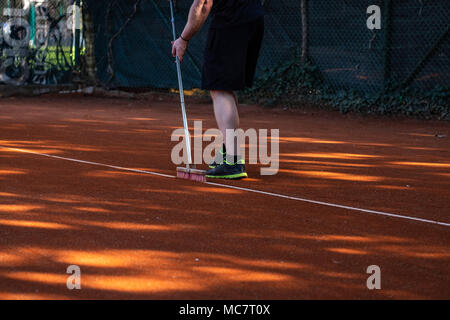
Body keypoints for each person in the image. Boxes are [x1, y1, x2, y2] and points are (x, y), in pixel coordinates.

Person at [171, 0, 264, 179]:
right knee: (226, 86)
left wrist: (183, 39)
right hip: (254, 18)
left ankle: (233, 161)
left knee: (219, 88)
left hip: (231, 22)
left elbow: (203, 4)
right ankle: (227, 153)